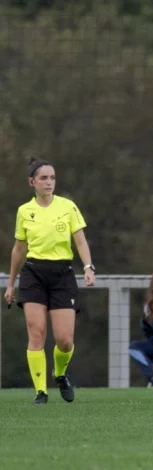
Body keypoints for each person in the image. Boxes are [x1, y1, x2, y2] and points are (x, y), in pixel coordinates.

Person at [3, 157, 96, 404]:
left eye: (52, 178)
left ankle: (60, 373)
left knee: (65, 340)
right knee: (37, 332)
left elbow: (80, 241)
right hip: (33, 273)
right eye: (43, 178)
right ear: (31, 182)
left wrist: (88, 267)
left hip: (62, 274)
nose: (49, 182)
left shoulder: (68, 207)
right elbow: (19, 249)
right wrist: (11, 284)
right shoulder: (25, 211)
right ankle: (40, 392)